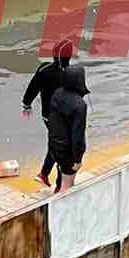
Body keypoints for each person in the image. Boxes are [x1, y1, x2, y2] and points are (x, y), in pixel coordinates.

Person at [21, 39, 74, 187]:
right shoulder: (69, 75)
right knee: (61, 148)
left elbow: (32, 88)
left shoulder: (44, 69)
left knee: (55, 144)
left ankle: (44, 174)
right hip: (63, 120)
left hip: (47, 117)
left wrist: (26, 105)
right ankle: (55, 182)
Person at [47, 63, 89, 193]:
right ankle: (60, 209)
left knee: (64, 180)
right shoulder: (79, 105)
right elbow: (77, 135)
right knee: (67, 187)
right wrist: (77, 158)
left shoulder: (57, 94)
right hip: (68, 152)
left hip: (54, 145)